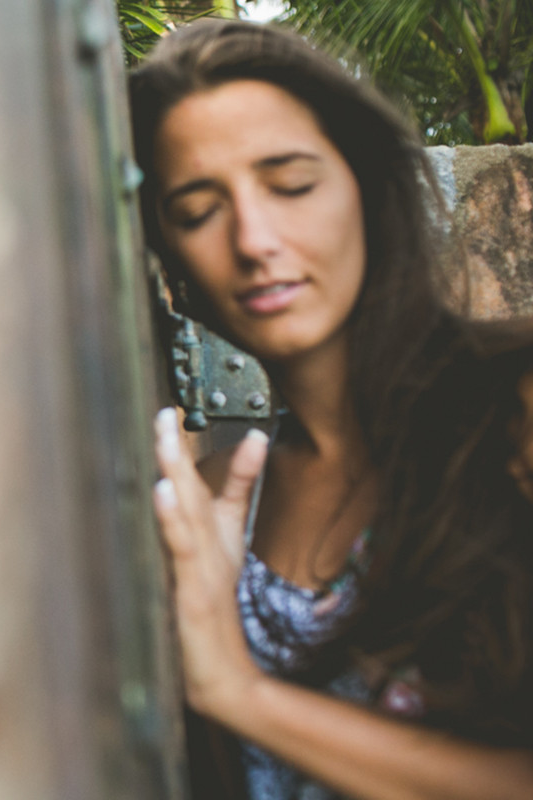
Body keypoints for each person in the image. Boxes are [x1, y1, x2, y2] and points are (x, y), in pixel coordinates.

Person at [130, 19, 533, 800]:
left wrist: (240, 694)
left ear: (365, 184)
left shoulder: (513, 406)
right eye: (197, 209)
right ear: (168, 257)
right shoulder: (212, 508)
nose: (254, 239)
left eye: (291, 184)